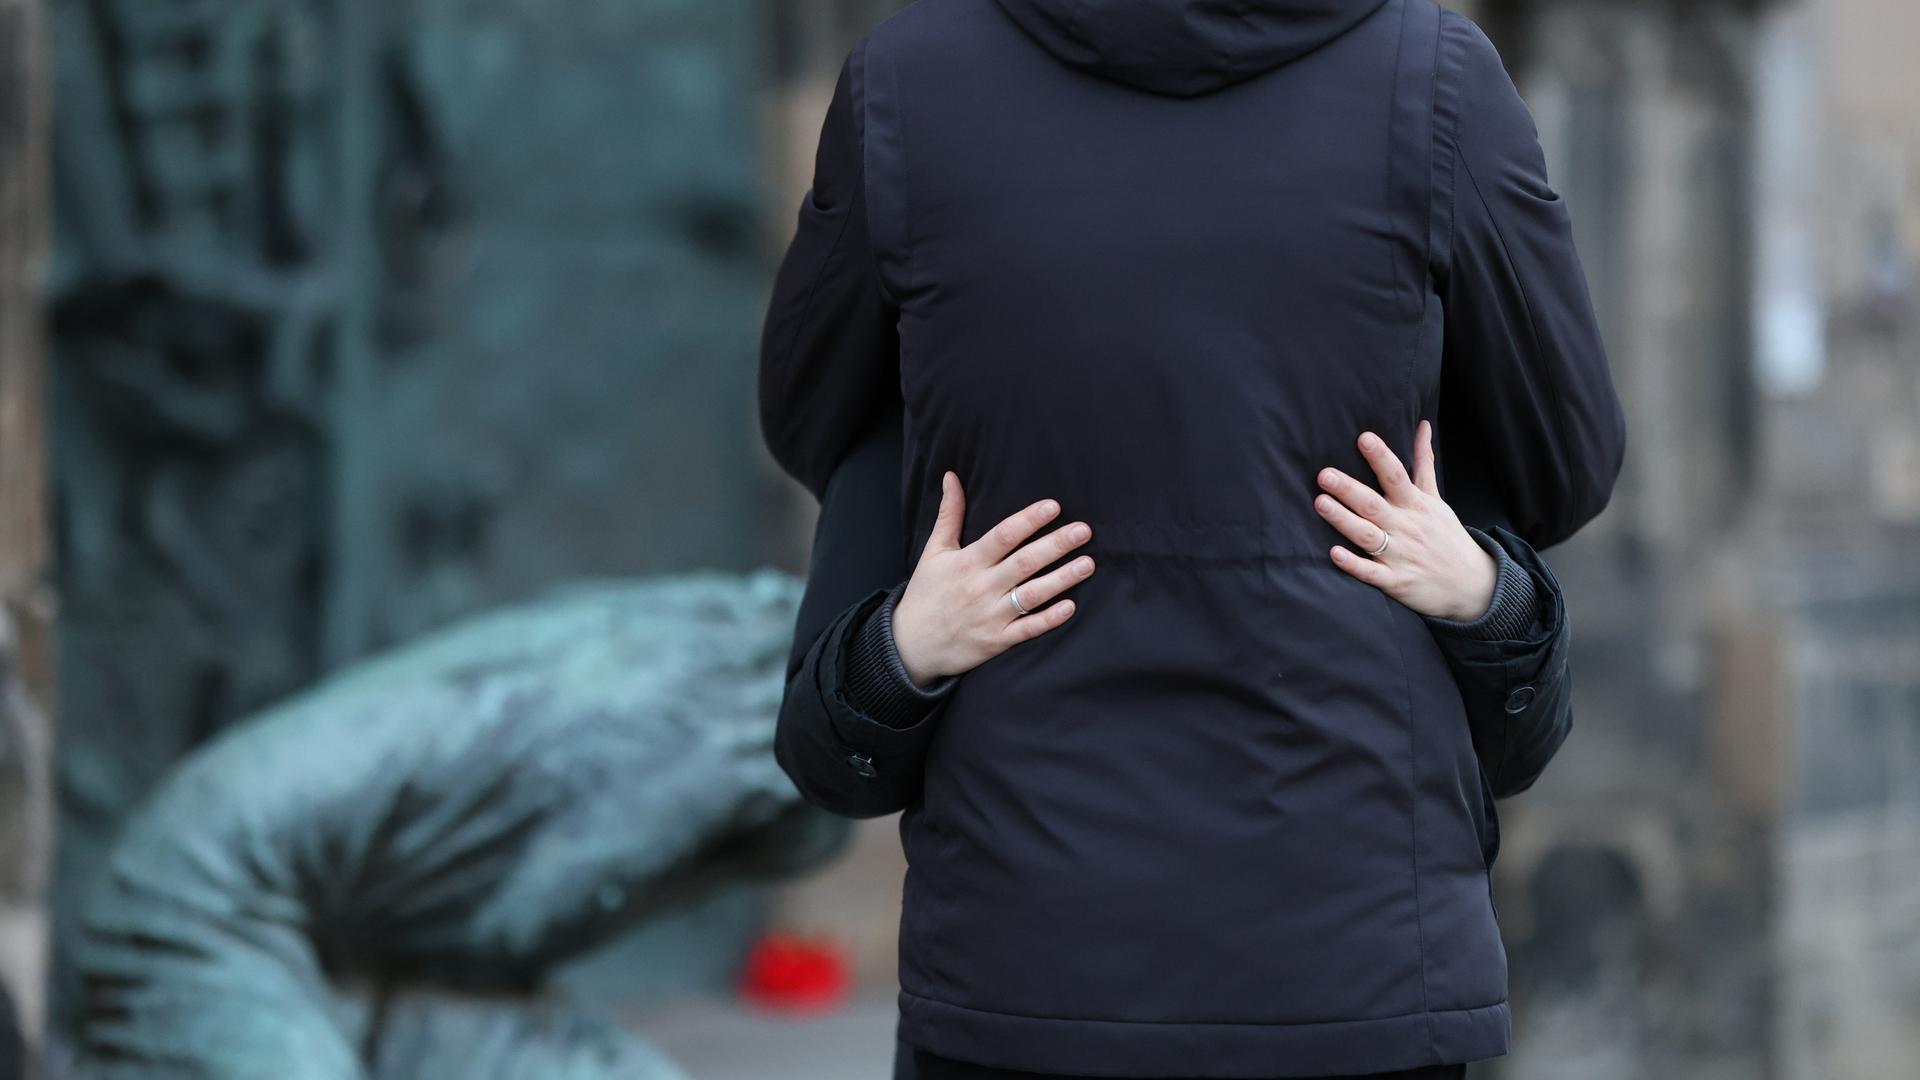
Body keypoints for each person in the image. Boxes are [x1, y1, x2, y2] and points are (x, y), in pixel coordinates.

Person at [758, 2, 1627, 1077]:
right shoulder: (1436, 76)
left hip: (1026, 958)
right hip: (1354, 955)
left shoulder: (907, 80)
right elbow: (1566, 454)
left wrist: (973, 453)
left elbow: (813, 404)